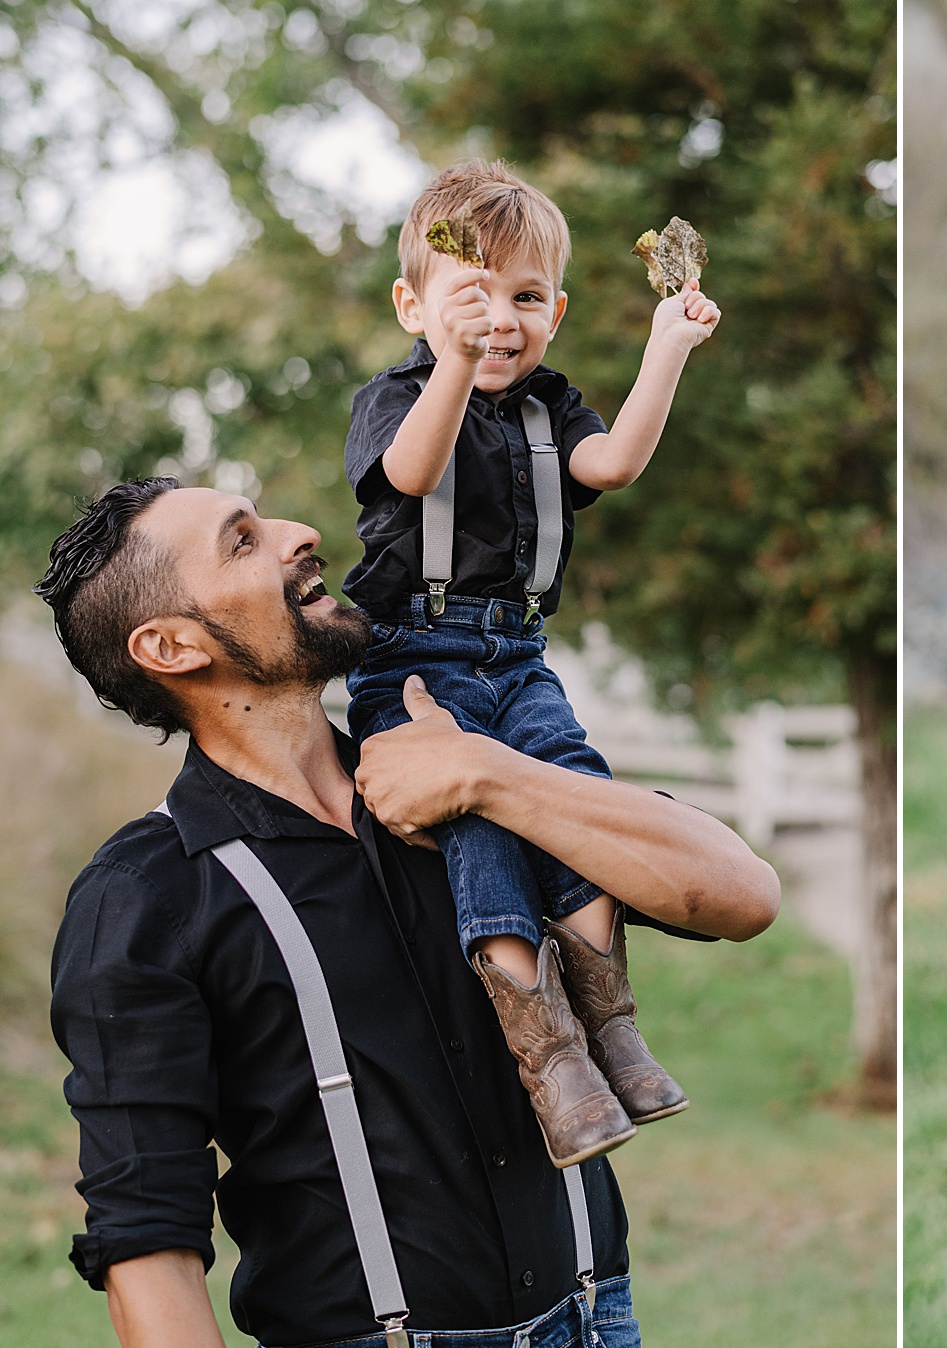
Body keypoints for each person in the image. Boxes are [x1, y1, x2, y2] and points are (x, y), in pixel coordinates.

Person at [37, 479, 779, 1348]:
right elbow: (146, 1242)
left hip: (597, 1323)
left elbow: (741, 896)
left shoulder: (475, 777)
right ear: (171, 646)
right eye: (242, 541)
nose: (298, 533)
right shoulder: (144, 896)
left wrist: (492, 776)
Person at [339, 161, 723, 1166]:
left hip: (519, 652)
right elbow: (412, 472)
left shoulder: (554, 412)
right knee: (479, 825)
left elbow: (616, 464)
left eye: (525, 298)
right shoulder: (397, 398)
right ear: (412, 306)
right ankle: (548, 1054)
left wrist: (667, 346)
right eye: (474, 296)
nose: (501, 320)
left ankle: (612, 1022)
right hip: (415, 657)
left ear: (555, 310)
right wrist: (458, 360)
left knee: (570, 790)